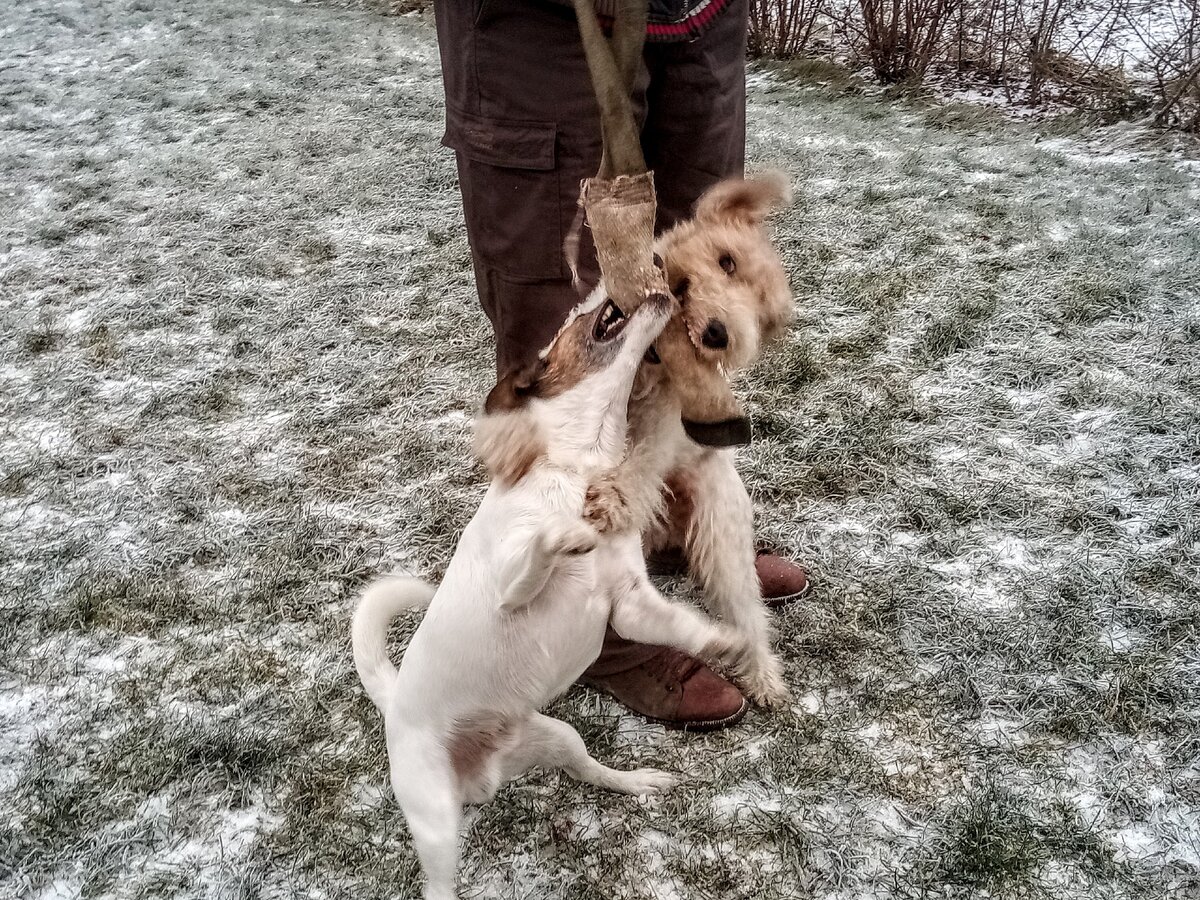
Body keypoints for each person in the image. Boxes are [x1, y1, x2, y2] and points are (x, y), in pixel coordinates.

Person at [433, 0, 809, 729]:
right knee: (569, 311)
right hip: (546, 29)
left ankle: (668, 532)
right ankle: (595, 620)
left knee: (694, 287)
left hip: (697, 14)